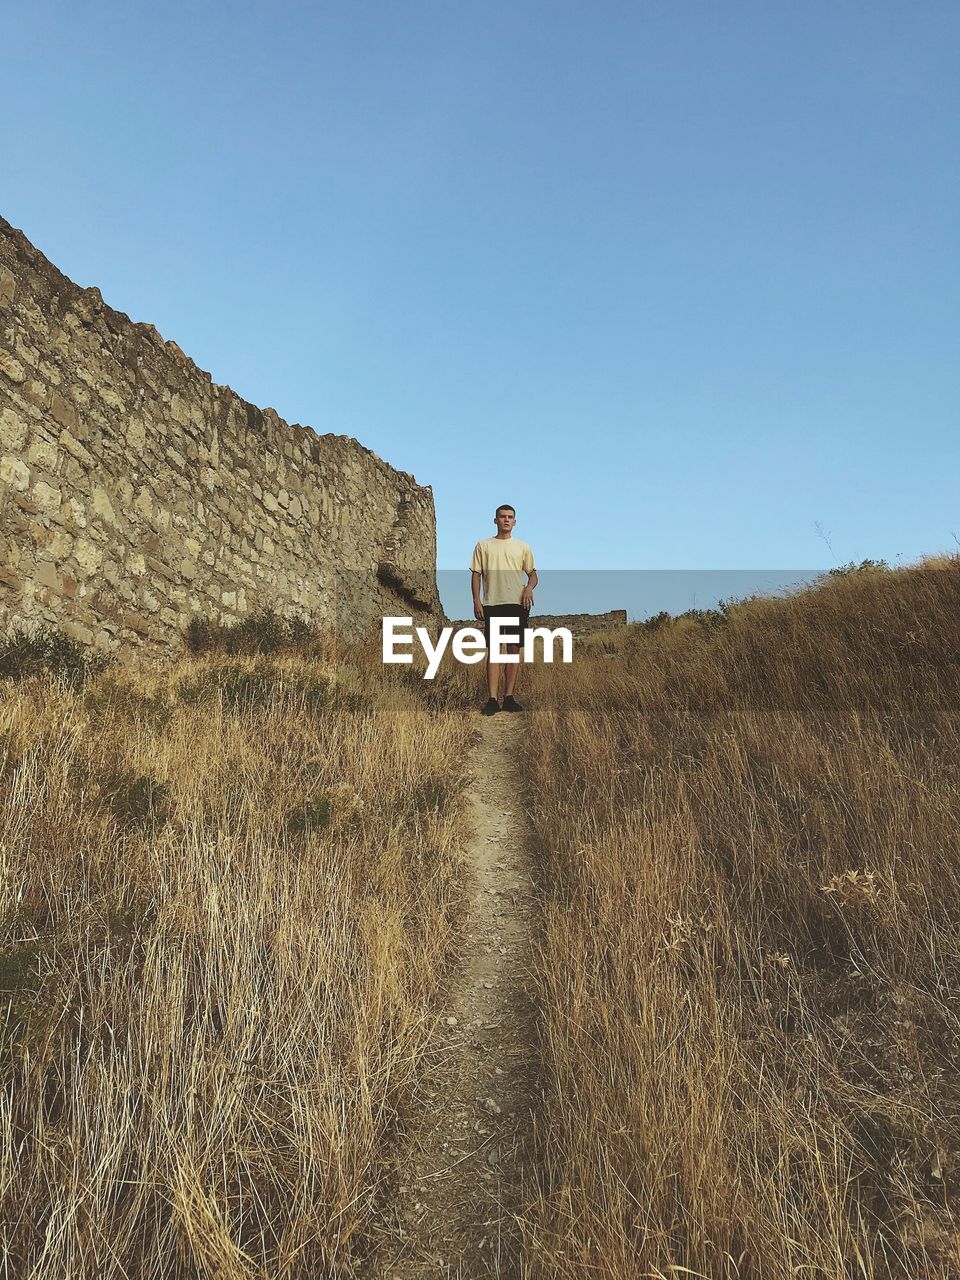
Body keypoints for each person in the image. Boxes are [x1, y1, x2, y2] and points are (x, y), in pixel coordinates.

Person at [470, 504, 537, 715]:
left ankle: (508, 697)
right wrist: (476, 600)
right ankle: (492, 699)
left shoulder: (523, 547)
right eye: (502, 516)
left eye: (510, 517)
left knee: (513, 651)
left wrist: (528, 589)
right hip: (492, 603)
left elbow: (533, 574)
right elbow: (476, 574)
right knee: (494, 652)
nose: (506, 520)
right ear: (495, 520)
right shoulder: (483, 545)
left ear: (515, 522)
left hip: (517, 603)